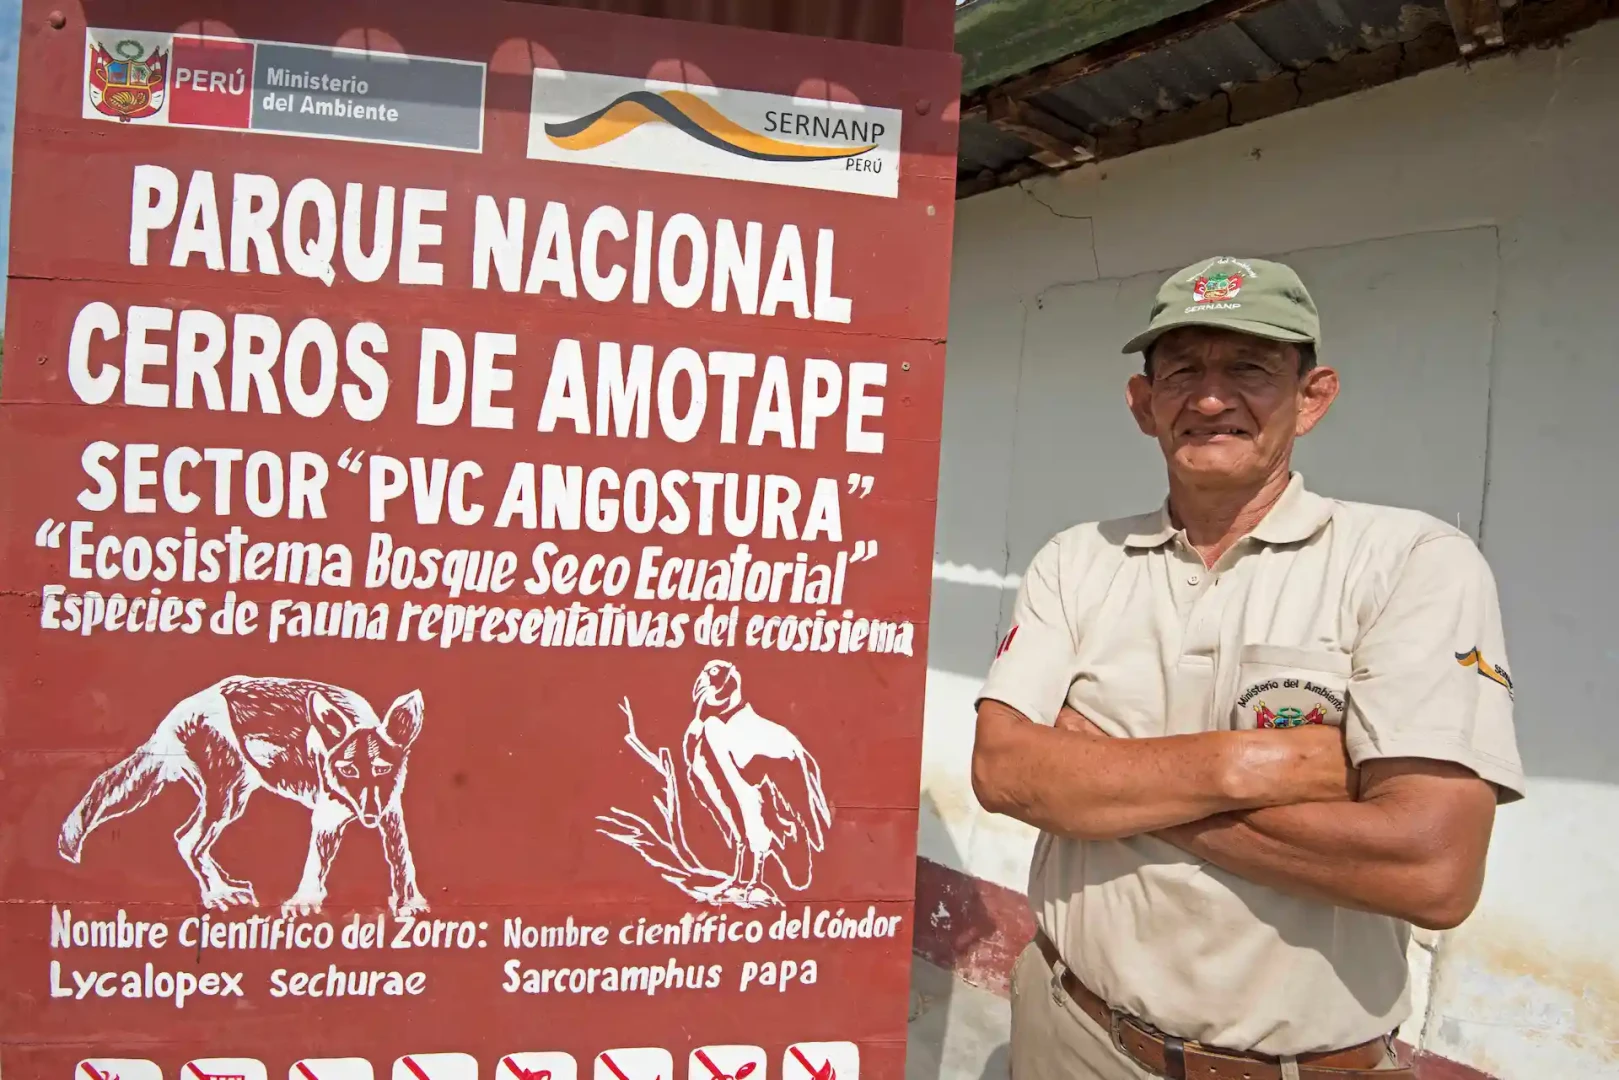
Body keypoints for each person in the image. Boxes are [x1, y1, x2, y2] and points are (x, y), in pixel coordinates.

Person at [970, 256, 1524, 1080]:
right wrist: (1254, 762)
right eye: (1181, 370)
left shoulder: (1410, 562)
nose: (1208, 398)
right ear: (1141, 404)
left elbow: (1430, 869)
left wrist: (1104, 783)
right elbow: (1004, 772)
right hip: (1071, 1033)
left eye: (1249, 369)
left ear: (1312, 396)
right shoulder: (1075, 559)